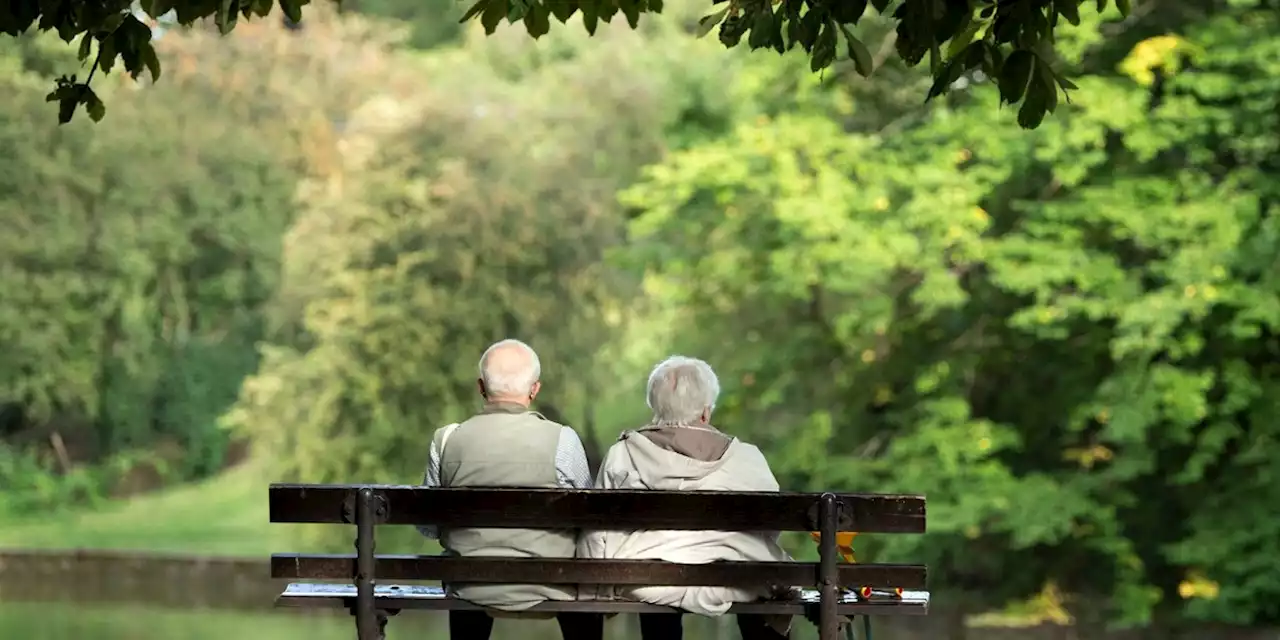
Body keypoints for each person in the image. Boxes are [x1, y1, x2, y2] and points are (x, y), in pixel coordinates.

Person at [578, 356, 793, 640]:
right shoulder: (747, 458)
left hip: (646, 579)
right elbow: (768, 529)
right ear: (705, 413)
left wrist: (595, 590)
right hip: (732, 578)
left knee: (653, 581)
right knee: (760, 580)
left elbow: (597, 530)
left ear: (655, 409)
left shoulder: (624, 453)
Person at [418, 339, 603, 640]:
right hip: (552, 584)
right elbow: (588, 521)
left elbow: (428, 526)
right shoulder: (563, 440)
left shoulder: (447, 440)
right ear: (534, 390)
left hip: (469, 585)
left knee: (466, 576)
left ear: (481, 387)